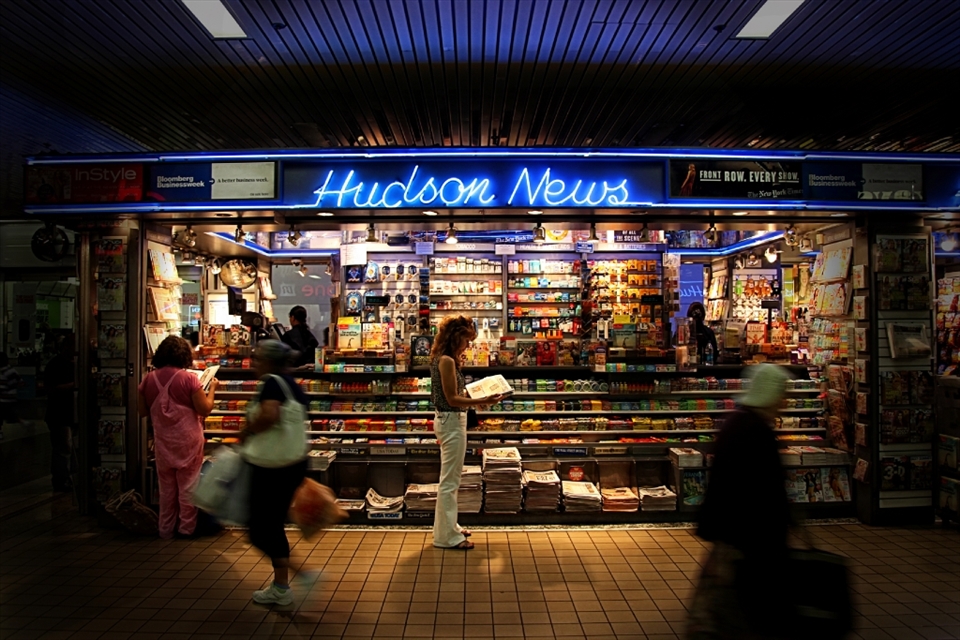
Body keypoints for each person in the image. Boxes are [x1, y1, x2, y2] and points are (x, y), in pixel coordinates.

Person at [687, 363, 794, 640]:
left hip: (734, 537)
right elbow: (759, 492)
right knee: (741, 614)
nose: (785, 402)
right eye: (782, 394)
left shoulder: (738, 423)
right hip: (747, 541)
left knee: (727, 611)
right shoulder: (755, 431)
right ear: (769, 394)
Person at [242, 339, 309, 605]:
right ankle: (284, 583)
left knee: (261, 528)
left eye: (257, 358)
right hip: (292, 463)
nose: (253, 364)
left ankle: (290, 580)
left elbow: (269, 415)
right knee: (271, 524)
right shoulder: (293, 385)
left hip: (271, 466)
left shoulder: (271, 382)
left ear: (268, 361)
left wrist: (247, 432)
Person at [430, 316, 503, 550]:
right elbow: (451, 399)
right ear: (456, 337)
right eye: (466, 340)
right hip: (451, 422)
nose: (468, 345)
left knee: (451, 479)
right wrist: (483, 399)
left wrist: (474, 400)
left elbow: (452, 396)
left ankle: (450, 527)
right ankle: (446, 538)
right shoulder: (447, 361)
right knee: (449, 482)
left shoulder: (442, 358)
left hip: (448, 420)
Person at [138, 336, 217, 539]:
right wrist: (212, 389)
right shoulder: (189, 379)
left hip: (163, 442)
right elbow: (205, 409)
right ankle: (186, 529)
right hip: (188, 442)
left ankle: (165, 530)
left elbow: (141, 411)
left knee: (166, 489)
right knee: (188, 487)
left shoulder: (148, 379)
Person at [44, 338, 76, 491]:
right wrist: (73, 385)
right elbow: (50, 388)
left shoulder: (75, 363)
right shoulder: (55, 364)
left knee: (67, 447)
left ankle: (66, 477)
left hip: (69, 413)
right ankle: (61, 479)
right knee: (63, 447)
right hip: (59, 413)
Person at [0, 352, 25, 440]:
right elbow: (20, 382)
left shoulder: (4, 371)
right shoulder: (10, 370)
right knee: (8, 415)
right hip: (9, 398)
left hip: (4, 398)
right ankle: (24, 423)